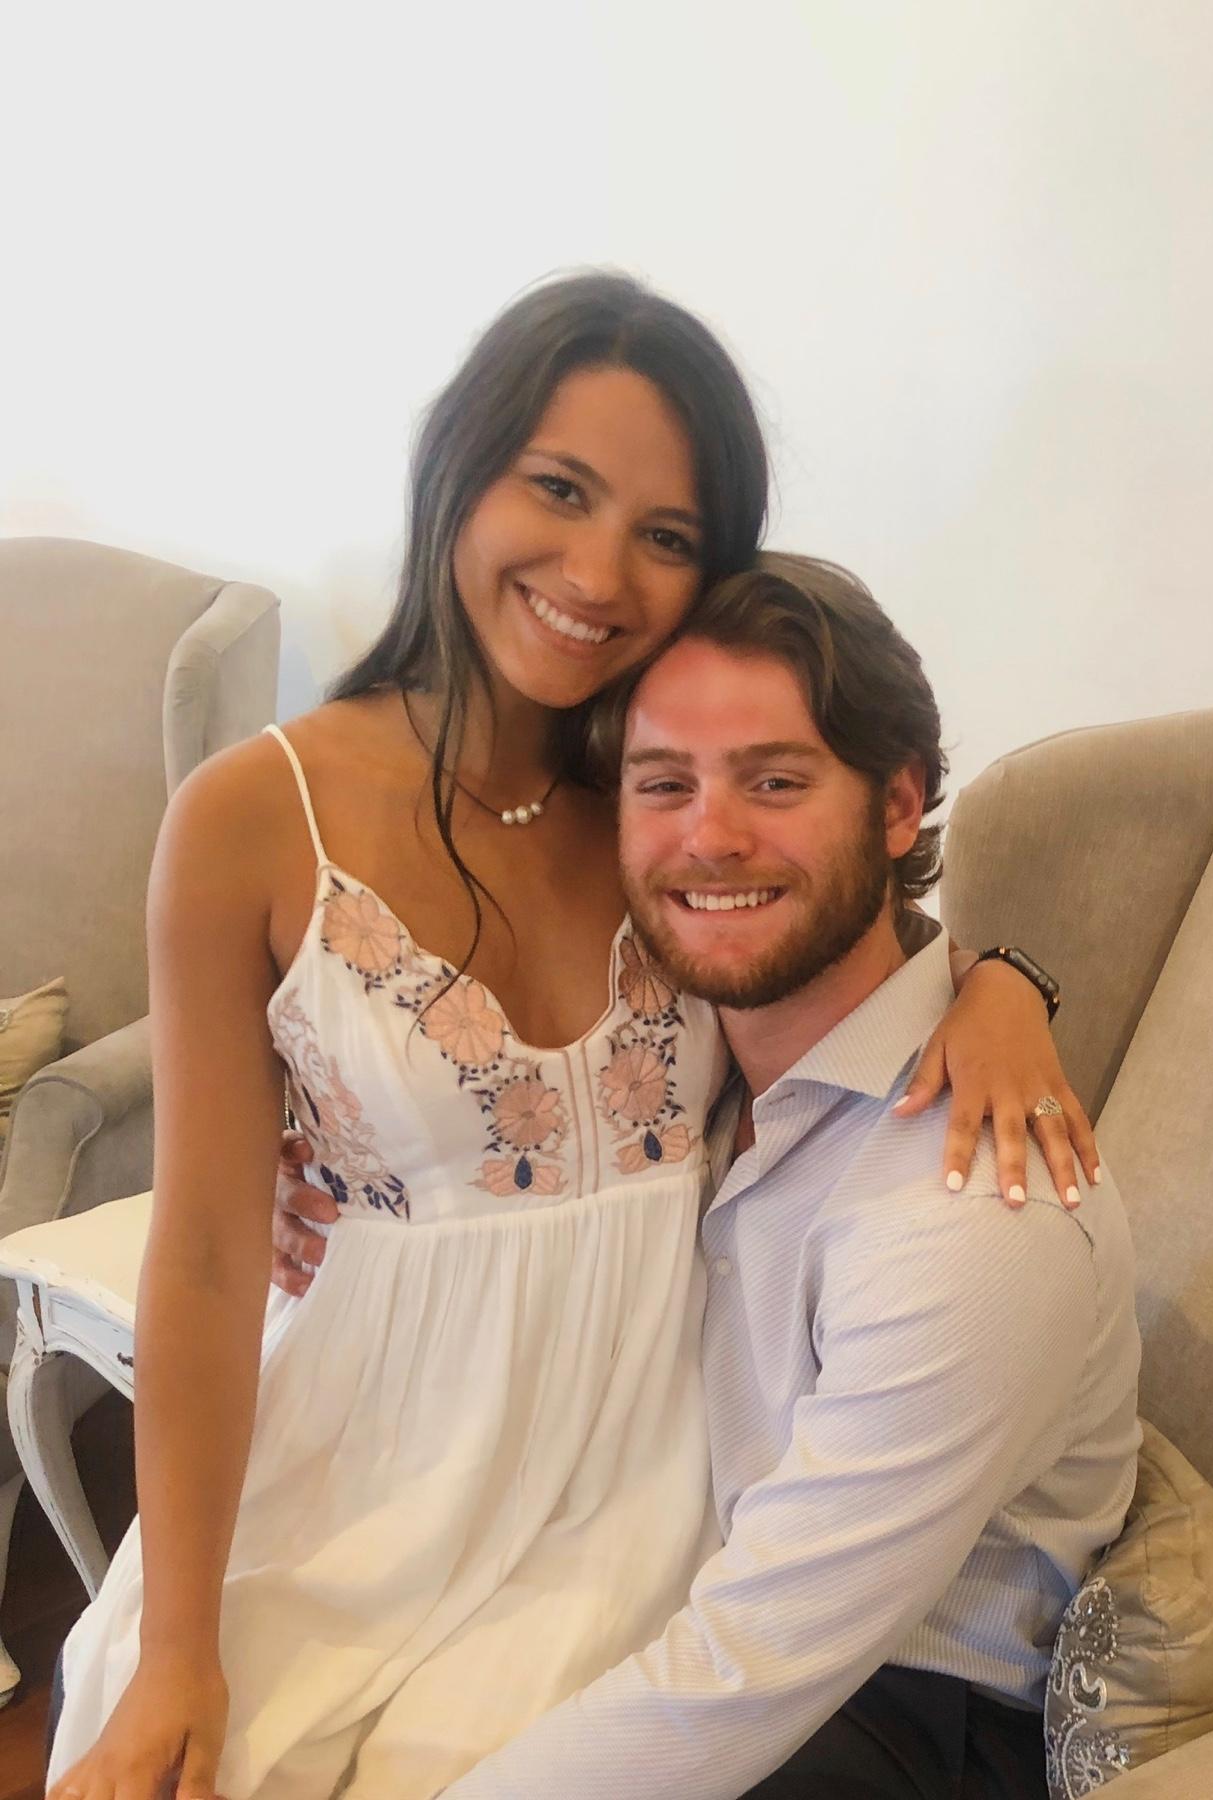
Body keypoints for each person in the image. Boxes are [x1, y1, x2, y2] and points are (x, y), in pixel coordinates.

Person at [47, 274, 1095, 1800]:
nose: (598, 571)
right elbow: (204, 1259)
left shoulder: (656, 800)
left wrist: (1009, 983)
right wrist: (176, 1653)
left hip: (631, 1489)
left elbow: (839, 912)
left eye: (666, 535)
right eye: (557, 488)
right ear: (459, 471)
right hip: (353, 1459)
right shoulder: (251, 818)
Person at [437, 555, 1141, 1799]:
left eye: (774, 781)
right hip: (669, 1583)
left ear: (897, 804)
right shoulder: (675, 1046)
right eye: (665, 784)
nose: (711, 837)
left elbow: (748, 1668)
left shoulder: (973, 1213)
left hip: (896, 1714)